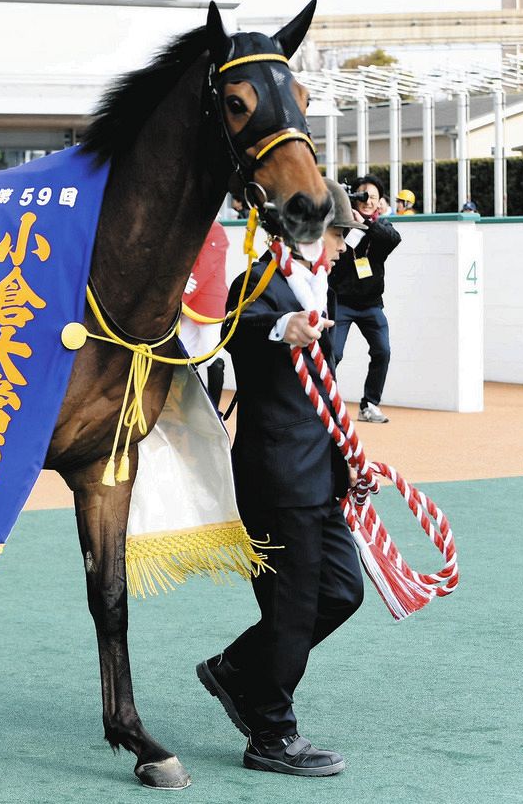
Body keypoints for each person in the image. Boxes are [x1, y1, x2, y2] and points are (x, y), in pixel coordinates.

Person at [197, 178, 365, 777]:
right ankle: (270, 733)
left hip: (322, 473)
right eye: (341, 234)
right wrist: (280, 329)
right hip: (276, 475)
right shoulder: (259, 285)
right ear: (313, 236)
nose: (347, 246)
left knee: (344, 592)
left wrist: (349, 457)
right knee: (291, 608)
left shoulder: (326, 286)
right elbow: (229, 330)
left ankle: (236, 669)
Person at [329, 173, 401, 424]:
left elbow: (392, 240)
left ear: (380, 201)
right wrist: (350, 221)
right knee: (333, 353)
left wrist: (367, 223)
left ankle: (369, 404)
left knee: (382, 351)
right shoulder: (340, 224)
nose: (367, 201)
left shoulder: (382, 228)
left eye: (373, 197)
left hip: (371, 305)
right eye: (362, 196)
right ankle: (328, 404)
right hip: (342, 303)